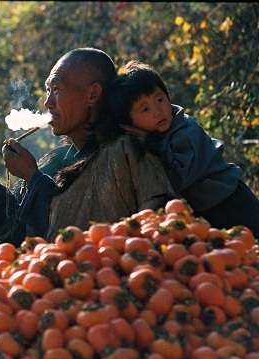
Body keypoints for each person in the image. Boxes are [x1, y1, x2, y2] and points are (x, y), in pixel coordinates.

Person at [0, 48, 175, 258]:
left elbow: (72, 238)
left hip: (98, 280)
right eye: (48, 90)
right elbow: (13, 238)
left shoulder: (124, 152)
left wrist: (33, 178)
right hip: (38, 284)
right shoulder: (57, 159)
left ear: (92, 94)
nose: (47, 103)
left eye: (57, 89)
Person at [97, 60, 259, 237]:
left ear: (169, 96)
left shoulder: (185, 130)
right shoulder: (154, 135)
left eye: (159, 99)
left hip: (231, 201)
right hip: (208, 208)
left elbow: (179, 175)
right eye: (145, 109)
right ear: (129, 122)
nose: (157, 110)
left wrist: (150, 142)